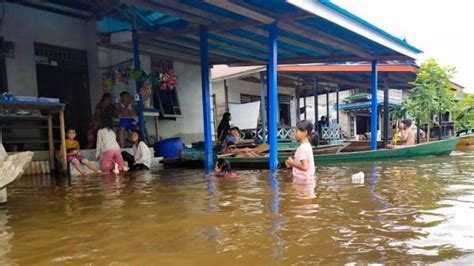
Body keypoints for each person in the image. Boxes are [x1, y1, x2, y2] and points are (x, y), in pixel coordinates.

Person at [285, 120, 316, 184]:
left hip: (303, 181)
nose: (294, 133)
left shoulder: (302, 148)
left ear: (305, 132)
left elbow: (305, 167)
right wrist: (292, 164)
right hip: (307, 179)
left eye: (296, 131)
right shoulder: (307, 145)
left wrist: (292, 163)